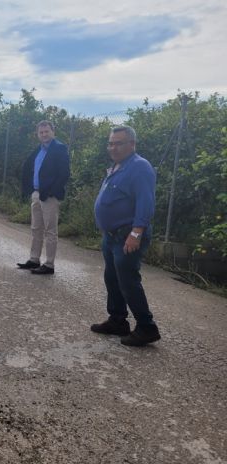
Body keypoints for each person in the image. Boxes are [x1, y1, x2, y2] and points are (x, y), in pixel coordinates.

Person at [91, 125, 161, 346]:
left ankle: (147, 327)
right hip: (111, 236)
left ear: (132, 144)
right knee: (112, 279)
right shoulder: (118, 166)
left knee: (128, 281)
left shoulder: (140, 167)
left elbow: (146, 203)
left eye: (118, 143)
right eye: (110, 143)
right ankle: (118, 320)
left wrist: (136, 232)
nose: (113, 147)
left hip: (127, 236)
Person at [17, 120, 70, 275]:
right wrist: (30, 190)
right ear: (38, 134)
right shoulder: (38, 150)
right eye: (41, 132)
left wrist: (52, 191)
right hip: (36, 194)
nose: (44, 134)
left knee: (50, 230)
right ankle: (34, 259)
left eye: (47, 131)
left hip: (49, 197)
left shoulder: (60, 149)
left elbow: (64, 173)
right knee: (36, 228)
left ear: (53, 132)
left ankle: (49, 264)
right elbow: (29, 169)